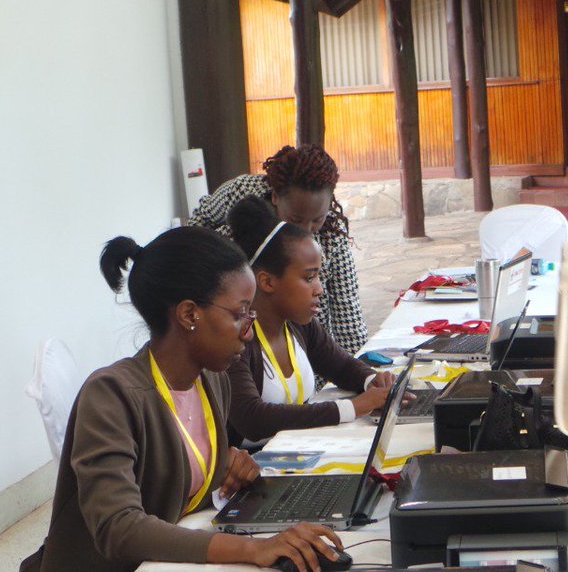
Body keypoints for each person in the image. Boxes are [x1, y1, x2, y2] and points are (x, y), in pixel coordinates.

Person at [21, 226, 343, 572]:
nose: (249, 332)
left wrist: (225, 467)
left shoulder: (212, 381)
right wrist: (251, 548)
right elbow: (118, 527)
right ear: (189, 314)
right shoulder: (111, 395)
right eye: (240, 314)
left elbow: (169, 477)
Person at [224, 196, 395, 447]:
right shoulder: (236, 340)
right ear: (267, 282)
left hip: (300, 453)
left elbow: (340, 366)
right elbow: (253, 418)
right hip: (255, 470)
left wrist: (371, 381)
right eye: (309, 278)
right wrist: (351, 408)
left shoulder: (297, 324)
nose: (320, 289)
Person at [189, 144, 367, 356]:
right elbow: (198, 226)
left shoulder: (332, 236)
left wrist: (359, 369)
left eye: (317, 219)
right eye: (295, 219)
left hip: (310, 357)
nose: (306, 230)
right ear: (274, 196)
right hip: (246, 348)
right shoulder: (241, 194)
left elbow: (349, 319)